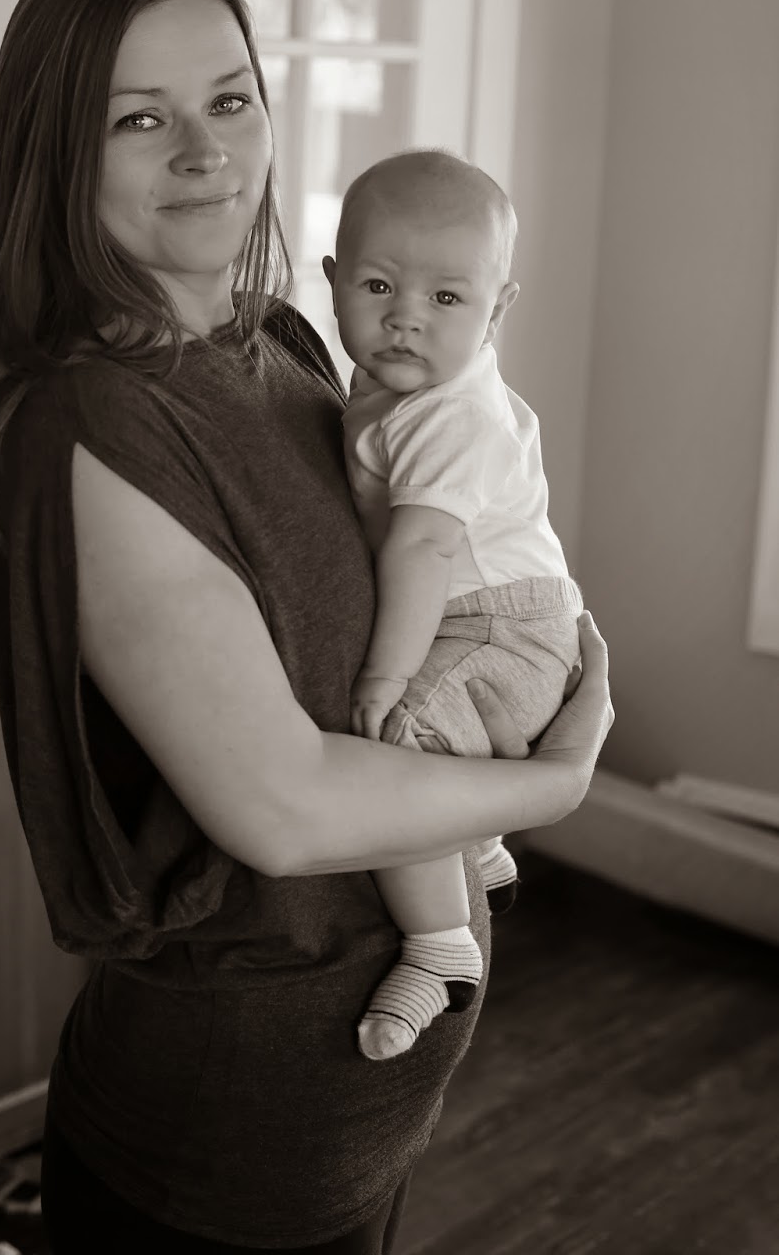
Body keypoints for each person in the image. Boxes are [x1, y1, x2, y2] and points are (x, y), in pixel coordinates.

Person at [0, 0, 613, 1254]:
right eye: (139, 119)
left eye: (229, 98)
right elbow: (283, 810)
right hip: (226, 1145)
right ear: (55, 155)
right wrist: (556, 783)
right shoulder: (91, 420)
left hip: (356, 1121)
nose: (205, 152)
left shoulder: (288, 345)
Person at [322, 151, 584, 1063]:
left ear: (496, 309)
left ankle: (440, 949)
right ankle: (478, 846)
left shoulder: (447, 414)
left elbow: (423, 547)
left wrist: (385, 676)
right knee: (412, 750)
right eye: (379, 287)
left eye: (445, 298)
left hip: (502, 630)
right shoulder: (390, 387)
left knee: (396, 752)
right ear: (333, 280)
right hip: (500, 621)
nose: (406, 317)